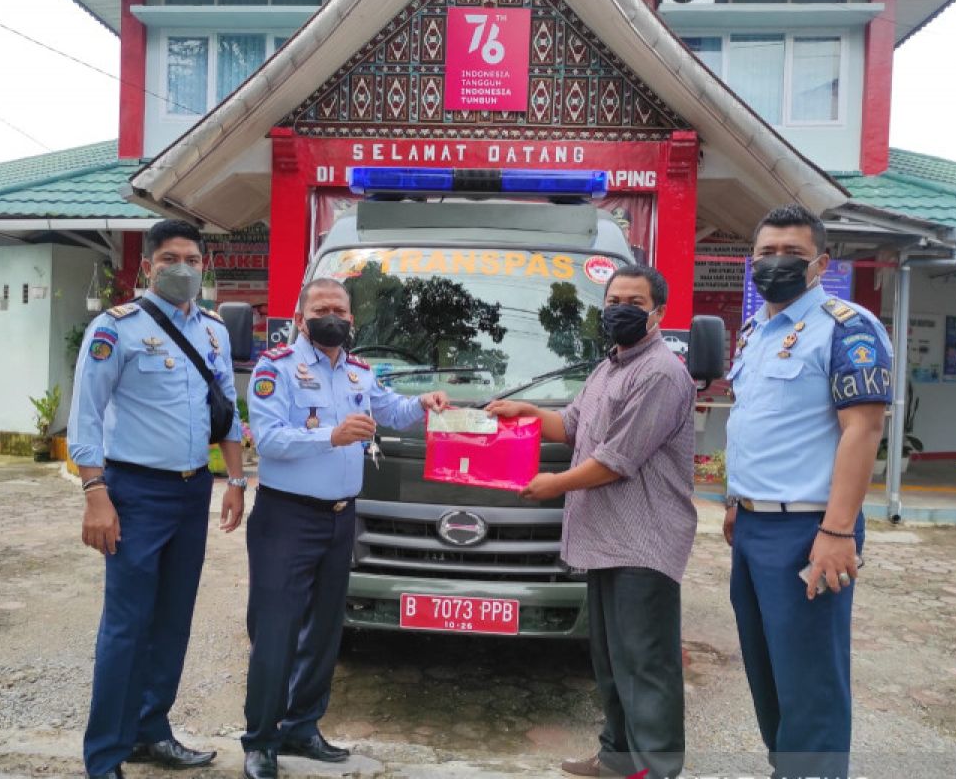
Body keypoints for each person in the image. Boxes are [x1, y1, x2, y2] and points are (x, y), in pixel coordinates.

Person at [486, 264, 696, 779]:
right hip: (604, 540)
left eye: (634, 300)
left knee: (647, 666)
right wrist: (525, 412)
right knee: (611, 662)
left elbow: (616, 459)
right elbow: (572, 426)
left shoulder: (660, 373)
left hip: (643, 543)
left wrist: (551, 486)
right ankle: (616, 758)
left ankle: (656, 769)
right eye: (613, 300)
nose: (620, 308)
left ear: (658, 313)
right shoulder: (610, 368)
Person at [241, 278, 449, 779]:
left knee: (325, 631)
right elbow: (267, 439)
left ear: (352, 320)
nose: (331, 315)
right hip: (287, 517)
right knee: (277, 631)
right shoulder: (276, 369)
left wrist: (423, 406)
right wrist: (329, 435)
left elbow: (389, 409)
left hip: (340, 518)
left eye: (340, 309)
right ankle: (262, 740)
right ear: (300, 316)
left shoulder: (359, 372)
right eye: (321, 308)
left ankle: (302, 726)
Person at [68, 219, 246, 779]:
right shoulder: (114, 328)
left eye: (193, 259)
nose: (183, 269)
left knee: (172, 620)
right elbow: (86, 416)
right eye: (171, 258)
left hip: (195, 492)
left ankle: (151, 731)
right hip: (135, 492)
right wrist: (96, 493)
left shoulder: (215, 331)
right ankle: (105, 756)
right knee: (126, 625)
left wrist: (237, 481)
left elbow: (228, 412)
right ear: (147, 266)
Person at [724, 204, 891, 779]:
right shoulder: (755, 332)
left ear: (819, 263)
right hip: (752, 527)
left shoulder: (848, 327)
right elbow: (758, 420)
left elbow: (863, 430)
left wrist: (839, 531)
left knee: (810, 677)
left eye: (791, 254)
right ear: (751, 261)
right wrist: (734, 503)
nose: (776, 264)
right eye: (766, 253)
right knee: (768, 670)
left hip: (810, 530)